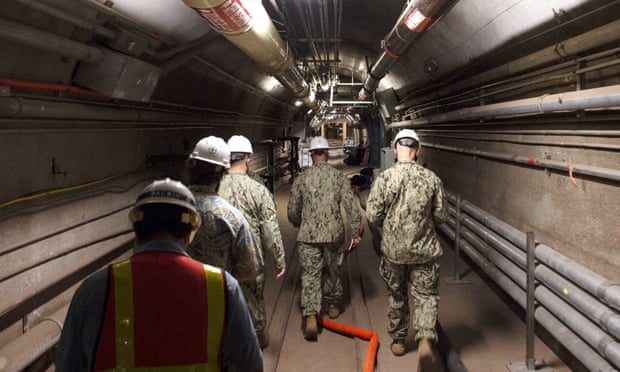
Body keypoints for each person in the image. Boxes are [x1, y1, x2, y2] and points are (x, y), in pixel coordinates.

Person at [55, 178, 263, 372]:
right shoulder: (223, 287)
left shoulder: (95, 289)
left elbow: (68, 366)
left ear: (137, 229)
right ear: (191, 231)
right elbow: (250, 365)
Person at [366, 129, 448, 370]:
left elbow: (372, 214)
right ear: (417, 151)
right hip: (425, 251)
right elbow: (441, 216)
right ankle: (424, 339)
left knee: (397, 295)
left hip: (394, 252)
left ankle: (400, 341)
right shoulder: (432, 179)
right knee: (426, 296)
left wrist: (391, 228)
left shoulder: (385, 178)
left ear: (394, 150)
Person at [287, 136, 362, 341]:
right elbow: (351, 207)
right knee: (333, 270)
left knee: (310, 274)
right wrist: (356, 233)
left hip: (308, 235)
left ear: (311, 155)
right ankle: (333, 306)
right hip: (334, 234)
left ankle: (311, 313)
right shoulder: (338, 177)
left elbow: (293, 210)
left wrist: (297, 223)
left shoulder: (302, 178)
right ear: (326, 154)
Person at [219, 134, 287, 349]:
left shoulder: (213, 187)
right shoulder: (258, 190)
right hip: (251, 259)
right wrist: (279, 259)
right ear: (248, 158)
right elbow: (270, 228)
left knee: (221, 300)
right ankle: (258, 339)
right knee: (254, 300)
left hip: (218, 261)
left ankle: (225, 341)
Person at [186, 135, 262, 282]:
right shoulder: (231, 217)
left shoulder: (166, 209)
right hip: (215, 298)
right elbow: (251, 270)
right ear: (222, 173)